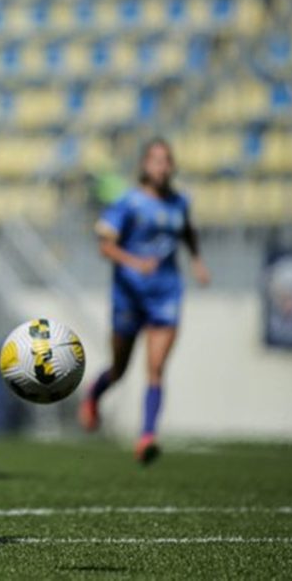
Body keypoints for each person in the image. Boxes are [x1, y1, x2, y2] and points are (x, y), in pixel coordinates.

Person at [79, 138, 211, 464]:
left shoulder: (180, 202)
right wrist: (136, 263)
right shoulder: (128, 202)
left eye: (166, 161)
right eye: (155, 160)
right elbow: (105, 246)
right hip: (129, 294)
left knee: (155, 368)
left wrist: (196, 260)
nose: (161, 167)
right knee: (120, 369)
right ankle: (94, 394)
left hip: (166, 293)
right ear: (144, 166)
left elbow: (187, 231)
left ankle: (147, 435)